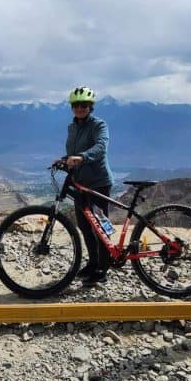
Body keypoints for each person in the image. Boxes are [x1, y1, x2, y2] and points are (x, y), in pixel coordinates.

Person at [64, 86, 114, 287]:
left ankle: (103, 268)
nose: (80, 108)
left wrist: (82, 157)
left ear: (90, 106)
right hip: (80, 183)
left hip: (98, 183)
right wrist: (64, 159)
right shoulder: (72, 127)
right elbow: (73, 151)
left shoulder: (99, 125)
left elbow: (101, 147)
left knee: (100, 226)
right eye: (76, 105)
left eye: (84, 105)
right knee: (85, 226)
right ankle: (93, 263)